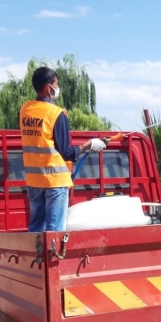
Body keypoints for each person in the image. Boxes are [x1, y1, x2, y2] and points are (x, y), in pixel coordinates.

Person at [20, 66, 106, 232]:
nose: (57, 89)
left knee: (36, 230)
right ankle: (52, 258)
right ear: (48, 87)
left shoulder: (25, 109)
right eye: (56, 84)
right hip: (55, 182)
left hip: (34, 182)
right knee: (54, 232)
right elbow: (66, 152)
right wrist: (89, 145)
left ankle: (37, 258)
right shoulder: (57, 113)